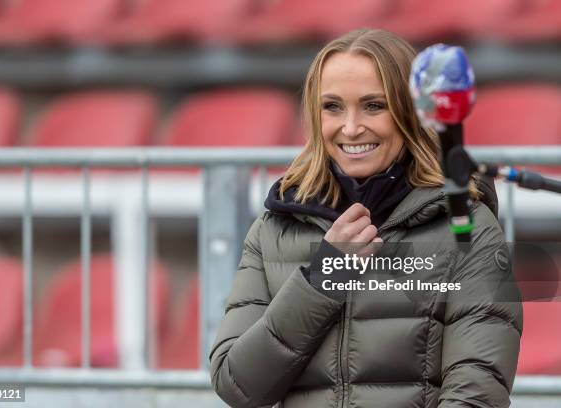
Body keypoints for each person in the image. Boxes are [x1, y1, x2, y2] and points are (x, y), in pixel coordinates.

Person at [209, 28, 521, 408]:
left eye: (374, 105)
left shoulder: (469, 229)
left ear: (410, 113)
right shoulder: (274, 227)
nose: (351, 127)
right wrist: (321, 280)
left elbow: (476, 393)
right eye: (333, 107)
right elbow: (238, 385)